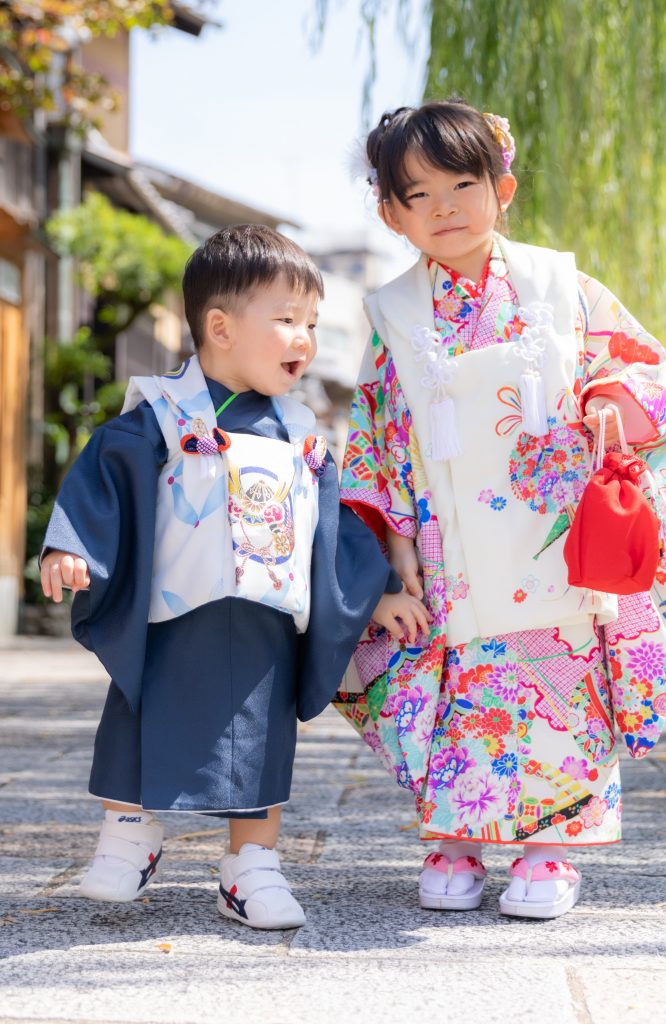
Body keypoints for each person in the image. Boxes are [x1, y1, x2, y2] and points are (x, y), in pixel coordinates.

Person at [335, 99, 666, 919]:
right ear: (390, 214)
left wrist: (607, 398)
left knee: (560, 677)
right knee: (456, 680)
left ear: (503, 189)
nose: (445, 207)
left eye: (463, 184)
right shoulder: (393, 315)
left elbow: (638, 364)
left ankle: (549, 847)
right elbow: (375, 438)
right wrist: (392, 560)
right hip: (443, 538)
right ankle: (455, 838)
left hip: (552, 534)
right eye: (418, 195)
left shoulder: (564, 288)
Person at [41, 224, 428, 930]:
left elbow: (332, 527)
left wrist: (375, 594)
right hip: (169, 612)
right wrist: (71, 547)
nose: (304, 338)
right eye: (286, 320)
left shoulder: (301, 431)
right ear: (219, 327)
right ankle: (127, 835)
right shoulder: (161, 414)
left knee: (261, 739)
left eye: (311, 322)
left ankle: (251, 865)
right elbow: (102, 480)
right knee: (137, 715)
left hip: (263, 619)